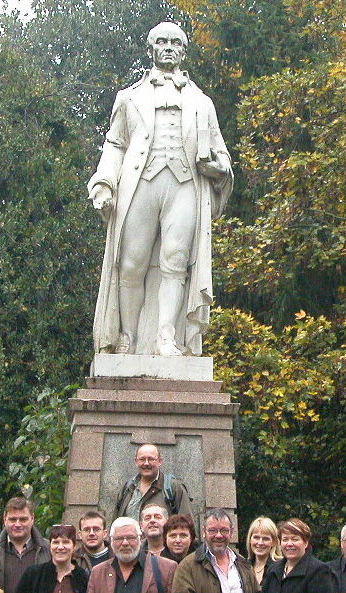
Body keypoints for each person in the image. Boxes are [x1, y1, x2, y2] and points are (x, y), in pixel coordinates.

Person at [88, 20, 232, 357]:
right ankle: (127, 337)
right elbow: (115, 145)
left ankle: (167, 338)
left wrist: (217, 167)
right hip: (140, 185)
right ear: (151, 49)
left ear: (183, 51)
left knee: (176, 263)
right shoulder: (128, 98)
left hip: (184, 186)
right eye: (162, 42)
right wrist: (104, 183)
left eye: (175, 43)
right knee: (131, 264)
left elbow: (221, 155)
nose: (169, 47)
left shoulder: (202, 103)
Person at [112, 443, 195, 524]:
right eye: (142, 459)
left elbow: (186, 524)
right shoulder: (128, 488)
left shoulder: (174, 487)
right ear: (136, 461)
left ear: (160, 461)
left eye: (151, 459)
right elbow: (115, 525)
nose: (146, 463)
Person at [246, 516, 282, 586]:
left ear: (274, 542)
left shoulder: (281, 568)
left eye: (266, 539)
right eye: (256, 537)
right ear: (250, 540)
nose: (260, 543)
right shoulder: (243, 567)